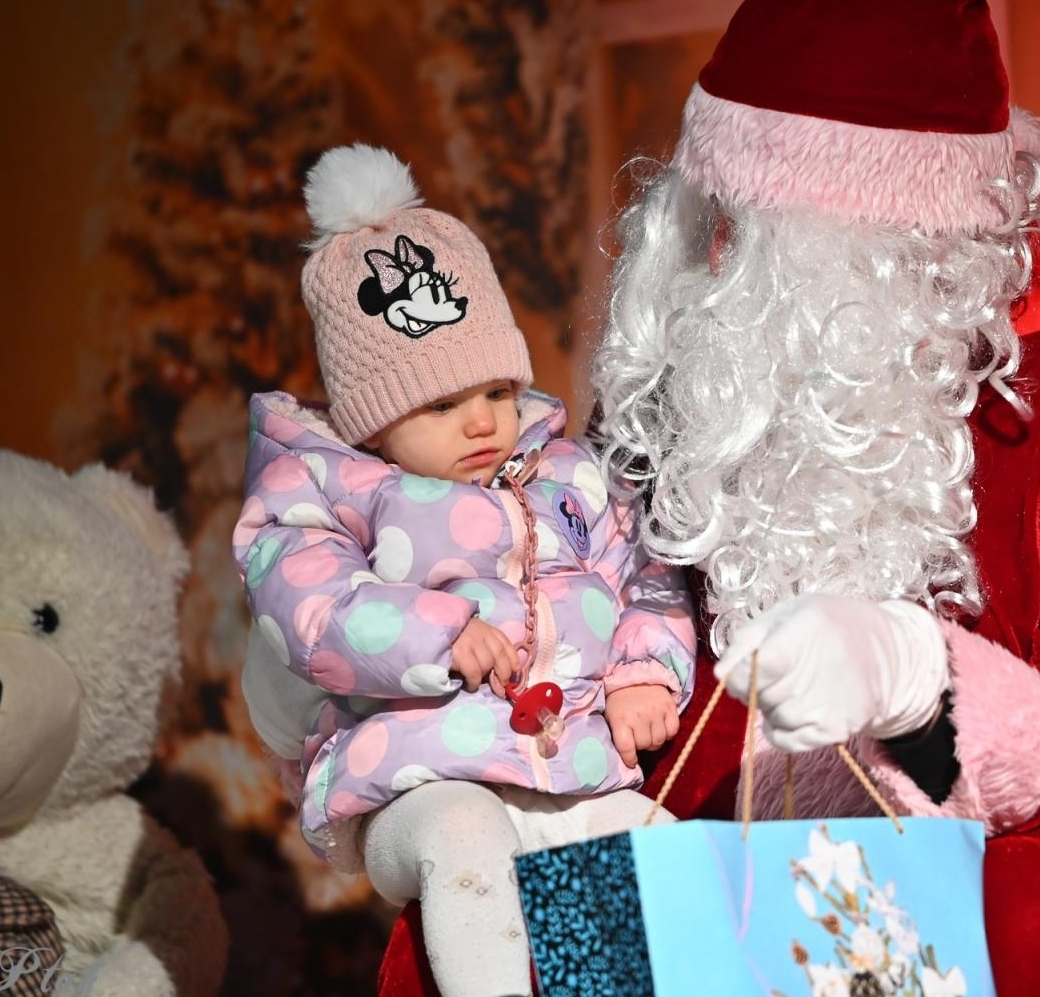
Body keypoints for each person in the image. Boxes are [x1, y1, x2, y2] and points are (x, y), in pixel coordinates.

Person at [586, 0, 1040, 997]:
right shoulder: (704, 356)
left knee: (1026, 918)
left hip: (986, 866)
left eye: (758, 236)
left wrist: (918, 685)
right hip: (691, 860)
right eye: (706, 218)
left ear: (894, 244)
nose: (715, 266)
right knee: (489, 909)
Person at [235, 145, 697, 997]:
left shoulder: (567, 473)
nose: (481, 420)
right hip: (417, 778)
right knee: (463, 836)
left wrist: (643, 673)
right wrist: (438, 633)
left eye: (493, 389)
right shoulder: (334, 492)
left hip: (569, 771)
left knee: (650, 838)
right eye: (442, 405)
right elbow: (309, 603)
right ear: (373, 421)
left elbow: (645, 576)